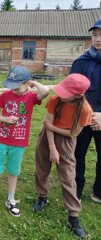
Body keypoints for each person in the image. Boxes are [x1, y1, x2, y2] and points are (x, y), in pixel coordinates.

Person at [0, 66, 49, 215]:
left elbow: (45, 92)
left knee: (14, 171)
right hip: (1, 139)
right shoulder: (6, 95)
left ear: (27, 84)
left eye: (17, 87)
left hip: (19, 142)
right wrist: (5, 118)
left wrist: (33, 83)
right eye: (11, 87)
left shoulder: (31, 97)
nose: (13, 90)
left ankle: (11, 199)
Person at [33, 74, 92, 238]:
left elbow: (73, 133)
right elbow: (48, 126)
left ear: (78, 95)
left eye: (67, 92)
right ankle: (42, 197)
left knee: (68, 176)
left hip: (66, 140)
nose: (62, 94)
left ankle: (73, 216)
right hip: (47, 137)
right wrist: (52, 147)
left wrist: (52, 127)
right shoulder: (55, 100)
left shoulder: (85, 110)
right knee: (42, 168)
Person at [70, 19, 101, 203]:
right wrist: (88, 113)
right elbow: (72, 91)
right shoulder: (81, 62)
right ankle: (76, 189)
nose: (98, 39)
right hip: (82, 117)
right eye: (95, 35)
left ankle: (98, 191)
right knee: (77, 154)